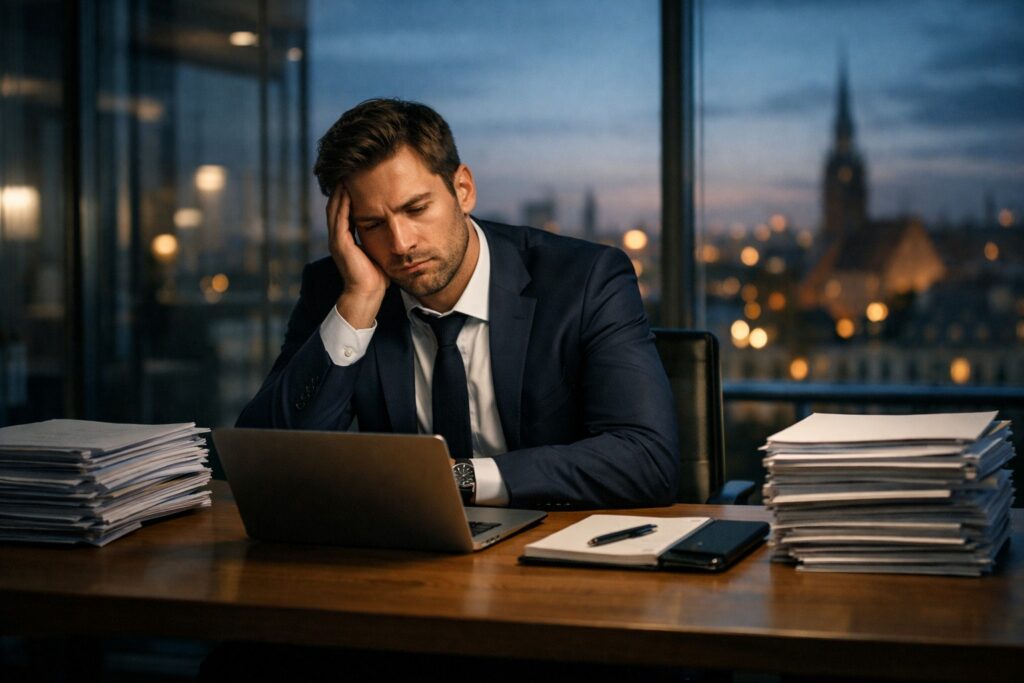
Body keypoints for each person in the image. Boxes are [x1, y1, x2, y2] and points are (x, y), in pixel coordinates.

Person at [236, 98, 679, 509]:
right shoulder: (340, 289)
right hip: (402, 563)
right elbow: (260, 463)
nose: (401, 244)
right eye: (372, 224)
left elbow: (647, 459)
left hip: (552, 553)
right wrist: (358, 303)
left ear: (463, 189)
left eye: (416, 209)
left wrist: (459, 478)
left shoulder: (586, 281)